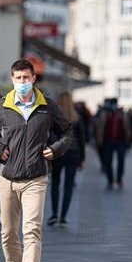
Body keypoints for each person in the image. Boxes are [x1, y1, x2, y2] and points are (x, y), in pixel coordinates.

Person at [0, 59, 72, 262]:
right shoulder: (1, 106)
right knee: (8, 232)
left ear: (33, 78)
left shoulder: (47, 106)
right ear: (12, 79)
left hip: (36, 178)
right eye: (18, 78)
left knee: (32, 229)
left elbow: (68, 130)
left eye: (26, 78)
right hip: (6, 177)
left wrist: (56, 149)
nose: (22, 82)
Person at [47, 91, 85, 227]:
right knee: (68, 186)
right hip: (74, 154)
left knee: (55, 183)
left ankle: (54, 214)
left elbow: (49, 136)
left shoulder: (54, 117)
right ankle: (63, 217)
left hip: (58, 153)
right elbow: (82, 140)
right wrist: (82, 159)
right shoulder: (77, 118)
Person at [95, 97, 132, 189]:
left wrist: (128, 141)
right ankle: (110, 180)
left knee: (121, 159)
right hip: (108, 141)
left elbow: (127, 127)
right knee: (108, 161)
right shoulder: (105, 113)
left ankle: (119, 179)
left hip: (120, 141)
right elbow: (100, 127)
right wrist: (100, 140)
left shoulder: (121, 113)